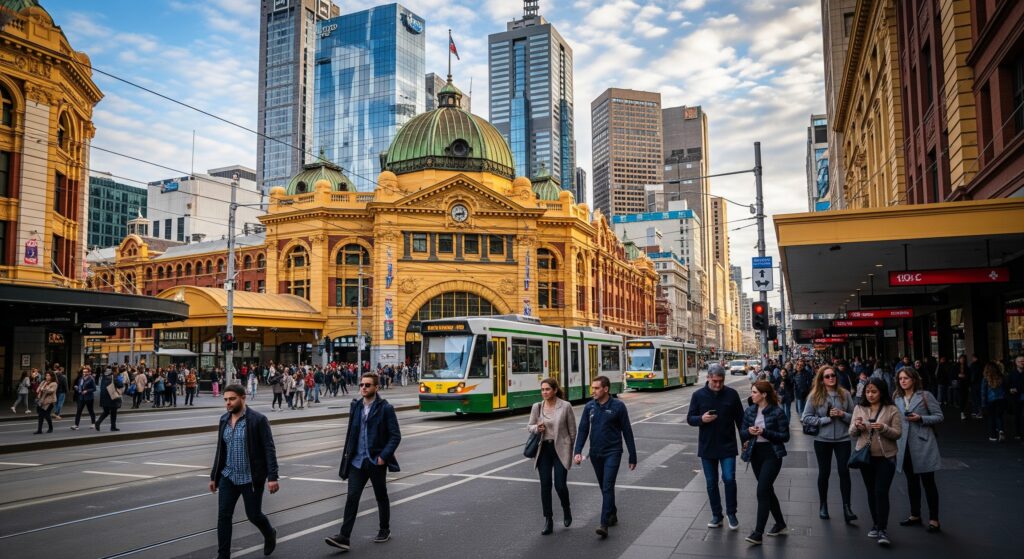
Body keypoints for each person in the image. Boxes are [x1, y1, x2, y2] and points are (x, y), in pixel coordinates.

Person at [325, 372, 402, 552]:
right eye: (361, 385)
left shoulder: (385, 408)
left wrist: (383, 456)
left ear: (376, 387)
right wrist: (347, 456)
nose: (363, 388)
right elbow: (351, 434)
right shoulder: (356, 406)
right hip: (357, 462)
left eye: (367, 385)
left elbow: (395, 436)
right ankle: (344, 537)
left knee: (380, 496)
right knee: (352, 498)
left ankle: (384, 529)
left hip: (375, 460)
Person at [209, 385, 279, 559]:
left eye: (232, 399)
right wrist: (214, 476)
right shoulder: (224, 420)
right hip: (229, 476)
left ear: (242, 398)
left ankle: (269, 533)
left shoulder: (258, 420)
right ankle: (223, 555)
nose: (228, 403)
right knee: (223, 516)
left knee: (254, 515)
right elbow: (221, 450)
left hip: (250, 478)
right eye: (225, 399)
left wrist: (272, 477)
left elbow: (269, 449)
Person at [574, 376, 638, 539]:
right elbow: (582, 430)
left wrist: (632, 455)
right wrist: (578, 451)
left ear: (606, 389)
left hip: (613, 452)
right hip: (595, 454)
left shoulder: (618, 406)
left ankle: (604, 524)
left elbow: (627, 431)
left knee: (608, 486)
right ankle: (612, 513)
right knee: (604, 486)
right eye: (592, 388)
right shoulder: (589, 407)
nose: (593, 391)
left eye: (596, 388)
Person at [687, 364, 744, 530]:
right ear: (708, 378)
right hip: (707, 446)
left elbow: (740, 420)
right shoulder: (698, 395)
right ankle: (716, 515)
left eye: (721, 381)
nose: (718, 385)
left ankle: (731, 513)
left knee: (728, 479)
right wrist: (701, 419)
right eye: (715, 381)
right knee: (711, 482)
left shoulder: (732, 394)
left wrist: (745, 440)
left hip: (727, 445)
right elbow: (690, 418)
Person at [801, 365, 857, 522]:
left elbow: (854, 416)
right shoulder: (815, 396)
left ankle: (847, 507)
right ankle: (823, 505)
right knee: (824, 473)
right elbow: (805, 417)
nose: (831, 378)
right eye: (827, 376)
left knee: (844, 472)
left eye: (833, 375)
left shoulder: (845, 394)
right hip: (822, 440)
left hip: (843, 439)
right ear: (821, 379)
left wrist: (842, 414)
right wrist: (826, 419)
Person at [850, 378, 902, 546]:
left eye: (874, 391)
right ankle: (875, 524)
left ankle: (882, 528)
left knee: (881, 491)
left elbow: (897, 433)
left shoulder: (891, 409)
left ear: (881, 392)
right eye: (867, 392)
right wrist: (857, 427)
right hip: (866, 457)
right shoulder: (859, 408)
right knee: (871, 492)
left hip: (886, 458)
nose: (870, 395)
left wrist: (883, 428)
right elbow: (851, 432)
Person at [893, 367, 943, 533]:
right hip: (904, 446)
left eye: (906, 378)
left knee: (928, 483)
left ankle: (934, 519)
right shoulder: (897, 398)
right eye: (900, 378)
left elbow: (939, 416)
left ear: (914, 379)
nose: (903, 381)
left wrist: (921, 418)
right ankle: (915, 514)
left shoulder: (925, 396)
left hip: (923, 444)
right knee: (911, 482)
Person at [740, 380, 790, 545]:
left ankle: (758, 533)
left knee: (762, 490)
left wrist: (765, 432)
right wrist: (749, 432)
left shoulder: (777, 412)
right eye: (752, 392)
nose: (752, 395)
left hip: (772, 454)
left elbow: (785, 437)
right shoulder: (750, 411)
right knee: (767, 490)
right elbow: (742, 432)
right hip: (755, 454)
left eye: (754, 392)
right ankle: (781, 524)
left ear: (764, 394)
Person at [527, 378, 577, 535]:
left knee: (560, 485)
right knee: (545, 485)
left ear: (555, 390)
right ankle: (548, 519)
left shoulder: (565, 406)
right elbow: (529, 427)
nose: (544, 392)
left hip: (560, 450)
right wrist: (537, 427)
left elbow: (572, 431)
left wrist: (570, 449)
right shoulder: (537, 407)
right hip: (544, 450)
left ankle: (566, 508)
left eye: (547, 389)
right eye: (542, 390)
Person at [980, 361, 1007, 442]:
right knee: (999, 416)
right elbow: (1005, 388)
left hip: (990, 401)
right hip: (1001, 400)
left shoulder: (985, 378)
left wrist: (983, 404)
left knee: (991, 418)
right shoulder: (1001, 376)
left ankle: (993, 436)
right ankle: (1001, 430)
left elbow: (983, 392)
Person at [1008, 355, 1024, 439]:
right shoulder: (1012, 374)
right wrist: (1010, 389)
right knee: (1017, 416)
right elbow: (1007, 385)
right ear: (1016, 363)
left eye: (1023, 361)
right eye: (1020, 361)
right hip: (1016, 398)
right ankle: (1018, 433)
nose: (1022, 363)